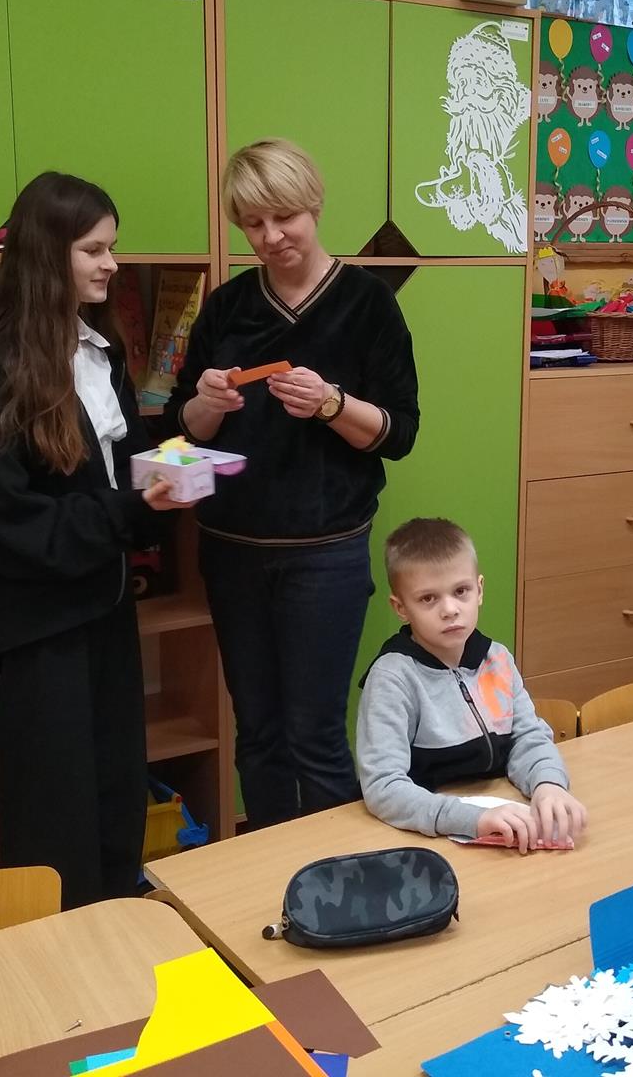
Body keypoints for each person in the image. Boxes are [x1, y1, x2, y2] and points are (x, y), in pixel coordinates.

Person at [162, 139, 420, 829]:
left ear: (314, 206)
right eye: (253, 224)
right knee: (258, 735)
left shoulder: (367, 304)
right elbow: (182, 431)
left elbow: (400, 433)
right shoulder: (227, 307)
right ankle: (271, 869)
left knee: (316, 736)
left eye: (284, 217)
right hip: (231, 550)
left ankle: (335, 877)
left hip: (325, 554)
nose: (271, 236)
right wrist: (206, 405)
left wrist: (333, 404)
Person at [0, 172, 192, 907]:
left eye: (111, 248)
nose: (111, 264)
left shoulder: (100, 352)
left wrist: (176, 473)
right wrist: (128, 508)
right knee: (56, 812)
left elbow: (125, 471)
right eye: (94, 250)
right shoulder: (6, 371)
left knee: (117, 787)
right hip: (46, 627)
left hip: (107, 606)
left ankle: (118, 928)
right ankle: (63, 951)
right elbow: (9, 527)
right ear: (47, 254)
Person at [355, 518, 587, 853]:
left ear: (479, 590)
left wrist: (548, 783)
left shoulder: (497, 658)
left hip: (503, 819)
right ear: (401, 608)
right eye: (428, 598)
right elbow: (383, 787)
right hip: (423, 838)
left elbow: (527, 737)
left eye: (460, 591)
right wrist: (472, 819)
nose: (450, 610)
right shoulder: (392, 678)